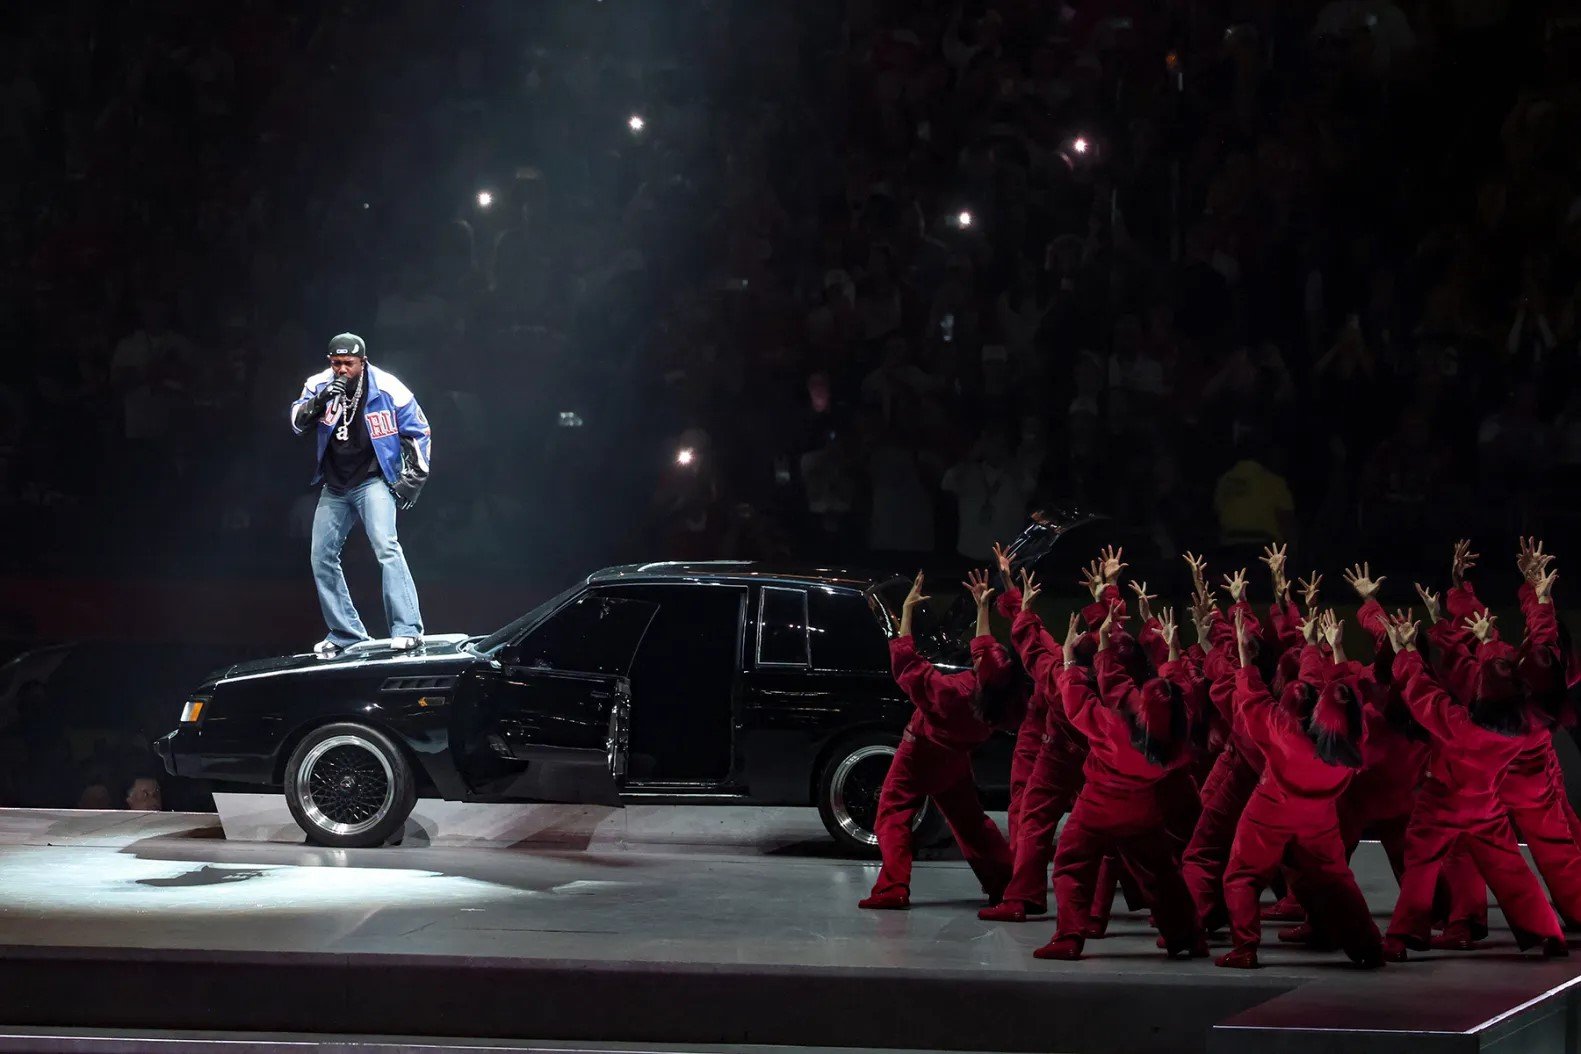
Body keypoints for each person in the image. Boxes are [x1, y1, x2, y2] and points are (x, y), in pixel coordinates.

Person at [859, 571, 1016, 911]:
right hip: (955, 760)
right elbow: (988, 654)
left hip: (920, 753)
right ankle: (1007, 886)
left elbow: (908, 667)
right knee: (971, 823)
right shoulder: (998, 702)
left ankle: (893, 888)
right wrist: (983, 606)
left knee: (893, 814)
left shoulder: (954, 693)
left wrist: (906, 615)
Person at [289, 333, 431, 657]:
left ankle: (409, 629)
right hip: (335, 485)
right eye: (336, 363)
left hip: (372, 481)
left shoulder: (388, 387)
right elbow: (297, 423)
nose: (342, 370)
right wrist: (323, 398)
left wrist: (412, 480)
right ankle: (346, 633)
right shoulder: (318, 384)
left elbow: (419, 430)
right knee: (320, 556)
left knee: (387, 547)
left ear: (362, 362)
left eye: (348, 364)